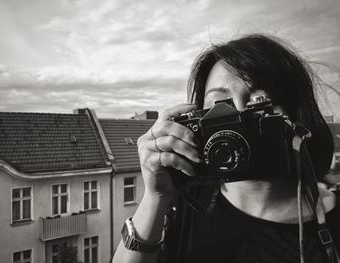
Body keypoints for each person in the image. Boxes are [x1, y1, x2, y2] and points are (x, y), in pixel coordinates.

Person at [112, 34, 339, 263]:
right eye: (219, 104)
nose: (238, 115)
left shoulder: (332, 217)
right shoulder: (188, 202)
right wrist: (155, 197)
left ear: (296, 117)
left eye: (260, 101)